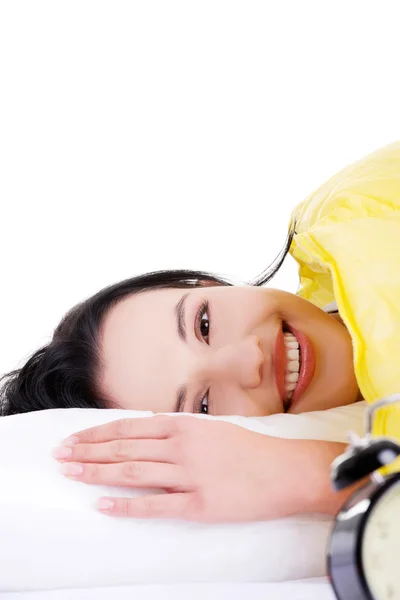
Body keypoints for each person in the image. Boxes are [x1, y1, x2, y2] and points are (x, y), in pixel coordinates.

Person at [1, 141, 399, 523]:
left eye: (203, 324)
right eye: (205, 405)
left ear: (209, 284)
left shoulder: (354, 208)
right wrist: (319, 476)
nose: (250, 360)